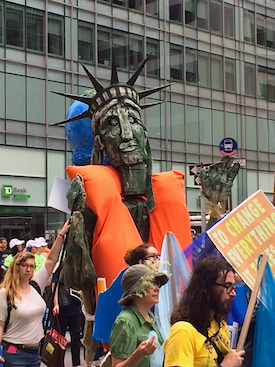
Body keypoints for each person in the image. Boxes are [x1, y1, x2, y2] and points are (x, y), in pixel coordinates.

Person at [0, 220, 70, 367]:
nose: (28, 269)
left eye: (31, 266)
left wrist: (61, 234)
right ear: (16, 267)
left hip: (36, 353)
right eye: (24, 265)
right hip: (13, 352)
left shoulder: (36, 283)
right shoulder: (5, 293)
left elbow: (51, 259)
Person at [164, 256, 245, 367]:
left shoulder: (220, 326)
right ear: (206, 287)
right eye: (227, 286)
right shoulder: (183, 331)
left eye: (233, 287)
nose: (232, 293)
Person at [109, 264, 169, 367]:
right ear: (137, 290)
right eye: (151, 283)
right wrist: (139, 354)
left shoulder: (150, 318)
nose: (157, 288)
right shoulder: (126, 322)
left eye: (157, 284)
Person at [52, 282, 83, 367]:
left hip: (76, 308)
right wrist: (56, 304)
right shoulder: (61, 269)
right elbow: (54, 285)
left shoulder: (78, 270)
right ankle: (59, 363)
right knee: (60, 339)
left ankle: (76, 363)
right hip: (62, 308)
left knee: (76, 337)